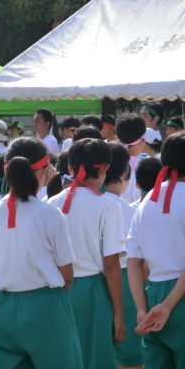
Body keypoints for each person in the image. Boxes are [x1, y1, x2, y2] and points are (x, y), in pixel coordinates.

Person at [0, 136, 82, 368]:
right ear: (43, 171)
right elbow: (67, 275)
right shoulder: (50, 215)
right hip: (46, 305)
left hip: (5, 307)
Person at [47, 138, 126, 369]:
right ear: (103, 169)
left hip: (56, 289)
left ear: (70, 169)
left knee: (64, 358)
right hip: (92, 290)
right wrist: (119, 314)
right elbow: (110, 264)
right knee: (96, 358)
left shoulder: (50, 203)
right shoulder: (109, 206)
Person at [127, 132, 185, 369]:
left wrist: (142, 309)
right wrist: (169, 305)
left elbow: (133, 260)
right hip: (178, 296)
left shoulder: (148, 199)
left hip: (152, 296)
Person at [102, 142, 143, 369]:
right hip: (127, 284)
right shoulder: (130, 211)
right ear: (126, 171)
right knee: (130, 358)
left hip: (89, 285)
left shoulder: (83, 205)